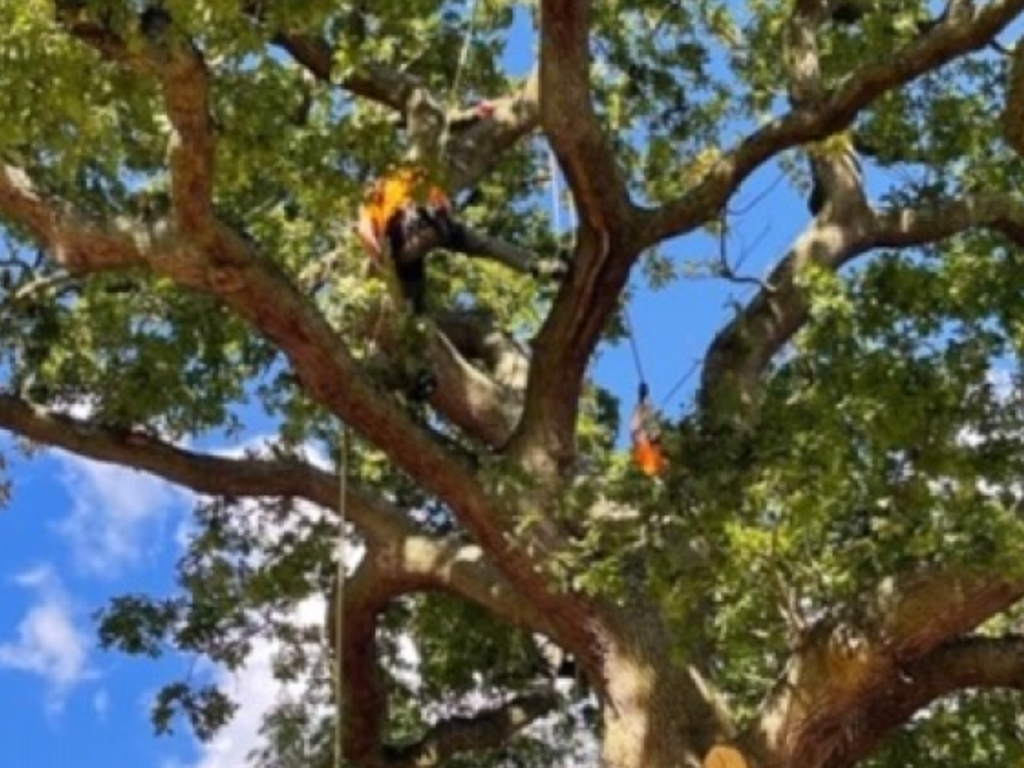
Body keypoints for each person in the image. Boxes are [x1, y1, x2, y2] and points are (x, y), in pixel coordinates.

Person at [631, 382, 668, 477]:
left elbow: (639, 450)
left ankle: (643, 397)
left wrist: (640, 432)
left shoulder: (649, 468)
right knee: (651, 423)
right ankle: (644, 397)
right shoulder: (659, 459)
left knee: (643, 414)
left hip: (640, 436)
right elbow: (658, 444)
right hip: (646, 435)